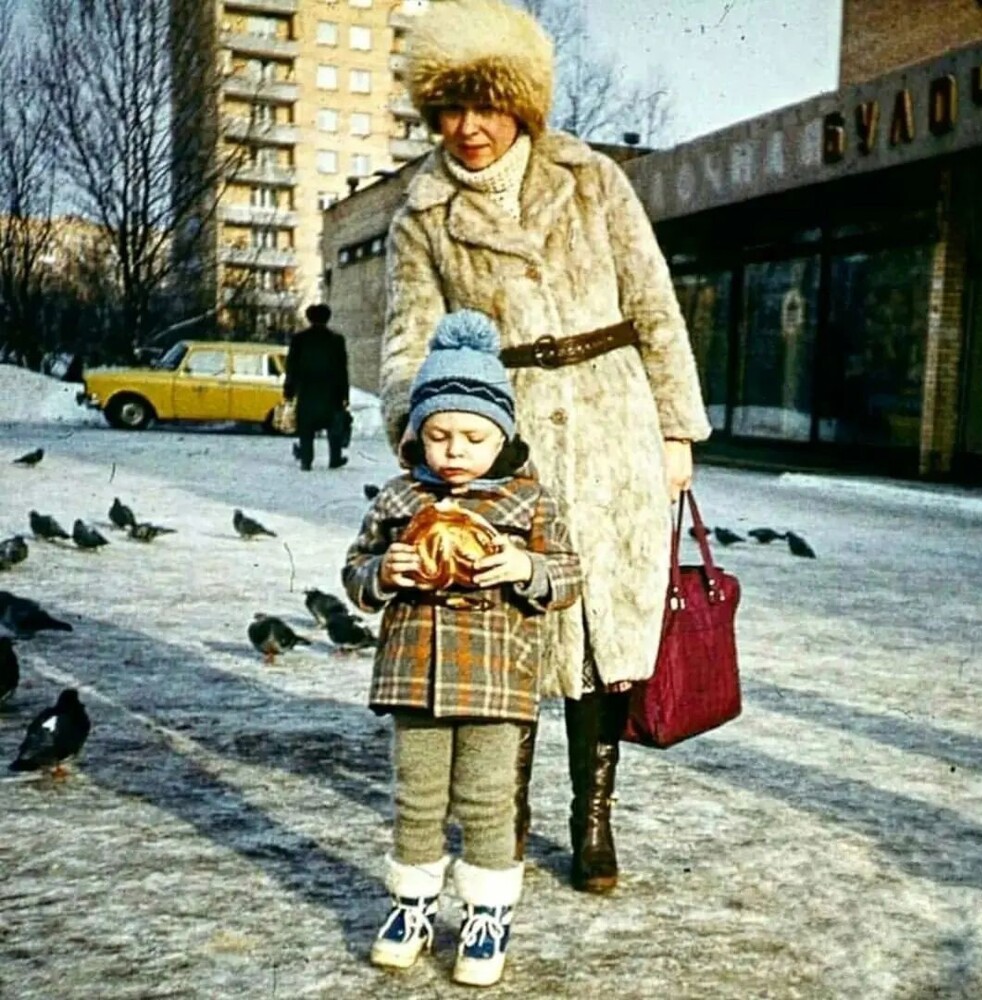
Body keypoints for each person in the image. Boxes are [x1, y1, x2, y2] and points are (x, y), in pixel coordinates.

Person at [379, 0, 712, 894]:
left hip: (614, 426)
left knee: (605, 629)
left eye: (486, 106)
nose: (469, 128)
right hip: (502, 436)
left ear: (521, 104)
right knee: (513, 619)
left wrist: (676, 425)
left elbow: (653, 303)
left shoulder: (592, 178)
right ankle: (506, 812)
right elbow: (409, 343)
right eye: (450, 109)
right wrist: (418, 441)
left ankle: (592, 816)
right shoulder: (424, 211)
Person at [343, 309, 582, 987]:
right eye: (437, 435)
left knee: (485, 801)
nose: (452, 450)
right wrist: (383, 572)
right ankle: (411, 905)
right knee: (416, 799)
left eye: (472, 436)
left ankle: (485, 915)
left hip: (495, 682)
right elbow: (355, 572)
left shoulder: (529, 502)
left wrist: (523, 569)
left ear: (501, 435)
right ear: (417, 434)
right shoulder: (399, 498)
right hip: (414, 677)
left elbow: (567, 575)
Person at [283, 303, 350, 471]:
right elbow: (342, 369)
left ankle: (306, 460)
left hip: (307, 390)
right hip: (331, 391)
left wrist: (289, 390)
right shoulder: (336, 340)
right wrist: (344, 394)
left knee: (306, 427)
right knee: (333, 426)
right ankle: (335, 458)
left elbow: (291, 366)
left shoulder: (299, 339)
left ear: (309, 318)